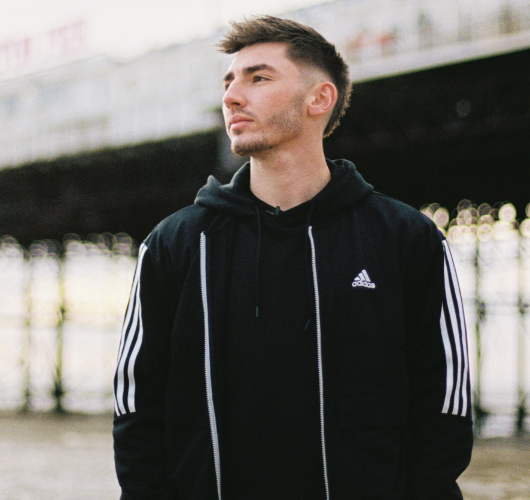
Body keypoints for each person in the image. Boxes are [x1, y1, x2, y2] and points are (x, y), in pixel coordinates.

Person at [113, 15, 472, 500]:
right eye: (229, 82)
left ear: (319, 98)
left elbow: (444, 403)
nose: (232, 96)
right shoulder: (176, 244)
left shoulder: (405, 239)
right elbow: (135, 402)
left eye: (258, 78)